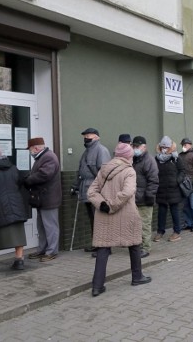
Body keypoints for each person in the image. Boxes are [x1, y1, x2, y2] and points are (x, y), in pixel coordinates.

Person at [87, 142, 151, 297]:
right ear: (129, 156)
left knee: (103, 248)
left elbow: (91, 192)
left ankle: (97, 286)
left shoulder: (104, 169)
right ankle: (137, 277)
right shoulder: (129, 170)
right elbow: (128, 191)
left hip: (104, 216)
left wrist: (102, 205)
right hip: (126, 214)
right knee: (134, 244)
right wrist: (112, 205)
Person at [71, 127, 111, 256]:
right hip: (86, 189)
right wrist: (75, 186)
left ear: (97, 137)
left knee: (100, 220)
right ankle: (97, 245)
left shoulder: (101, 150)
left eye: (89, 135)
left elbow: (104, 174)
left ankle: (105, 248)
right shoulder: (86, 152)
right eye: (85, 136)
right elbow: (80, 171)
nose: (86, 138)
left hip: (96, 192)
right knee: (93, 219)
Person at [24, 137, 62, 261]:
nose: (30, 151)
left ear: (35, 148)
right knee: (42, 226)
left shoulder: (49, 157)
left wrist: (27, 180)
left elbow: (44, 174)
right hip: (42, 198)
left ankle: (52, 251)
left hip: (48, 198)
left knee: (50, 226)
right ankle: (42, 250)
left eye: (30, 149)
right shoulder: (42, 157)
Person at [153, 136, 185, 242]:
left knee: (174, 211)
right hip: (161, 189)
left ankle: (177, 232)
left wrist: (177, 181)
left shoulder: (176, 158)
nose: (164, 149)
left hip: (173, 189)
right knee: (161, 211)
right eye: (162, 147)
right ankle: (160, 232)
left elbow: (182, 171)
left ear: (171, 147)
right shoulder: (156, 158)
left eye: (166, 147)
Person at [132, 136, 159, 258]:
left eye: (138, 146)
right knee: (136, 224)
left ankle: (146, 248)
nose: (135, 148)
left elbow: (153, 181)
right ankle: (138, 246)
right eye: (134, 146)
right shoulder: (134, 159)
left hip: (144, 199)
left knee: (144, 225)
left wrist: (149, 196)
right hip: (134, 198)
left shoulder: (149, 160)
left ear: (144, 147)